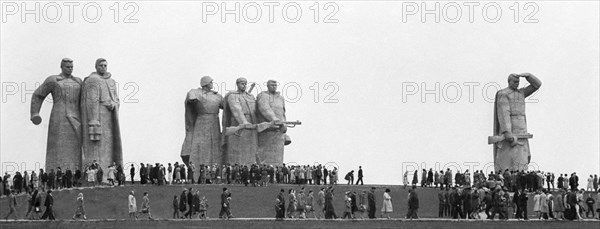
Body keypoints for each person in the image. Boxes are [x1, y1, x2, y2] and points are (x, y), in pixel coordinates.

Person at [30, 58, 83, 172]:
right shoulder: (53, 80)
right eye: (67, 67)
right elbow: (38, 95)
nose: (70, 69)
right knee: (58, 147)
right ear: (61, 67)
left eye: (71, 67)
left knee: (76, 147)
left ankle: (76, 174)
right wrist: (35, 113)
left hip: (77, 118)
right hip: (59, 117)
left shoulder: (79, 81)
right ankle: (55, 174)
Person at [81, 58, 123, 182]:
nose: (104, 67)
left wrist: (114, 104)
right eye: (101, 65)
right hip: (99, 115)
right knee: (97, 146)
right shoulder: (92, 80)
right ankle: (100, 177)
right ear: (96, 67)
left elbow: (117, 99)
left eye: (105, 65)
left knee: (109, 145)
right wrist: (93, 120)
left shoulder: (111, 81)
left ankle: (109, 177)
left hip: (110, 116)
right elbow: (91, 101)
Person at [492, 73, 542, 171]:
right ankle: (506, 173)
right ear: (509, 81)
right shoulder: (504, 93)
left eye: (518, 82)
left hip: (522, 126)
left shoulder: (521, 93)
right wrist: (507, 131)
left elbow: (537, 85)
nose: (517, 84)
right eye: (514, 82)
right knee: (509, 152)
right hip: (511, 125)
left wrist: (528, 76)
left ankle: (521, 172)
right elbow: (504, 112)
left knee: (522, 154)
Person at [181, 76, 223, 175]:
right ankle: (198, 173)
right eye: (211, 82)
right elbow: (192, 98)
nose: (212, 83)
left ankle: (214, 174)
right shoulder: (195, 92)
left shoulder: (217, 96)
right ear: (205, 83)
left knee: (215, 147)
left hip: (214, 122)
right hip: (201, 121)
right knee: (200, 146)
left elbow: (226, 106)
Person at [222, 77, 258, 165]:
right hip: (238, 123)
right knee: (237, 148)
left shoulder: (250, 96)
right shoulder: (232, 95)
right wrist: (244, 122)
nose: (244, 85)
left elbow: (256, 110)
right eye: (242, 83)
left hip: (251, 124)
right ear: (237, 84)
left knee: (251, 149)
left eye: (245, 84)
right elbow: (236, 109)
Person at [256, 79, 291, 165]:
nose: (274, 87)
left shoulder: (280, 98)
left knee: (278, 156)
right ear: (267, 86)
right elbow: (264, 108)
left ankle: (277, 171)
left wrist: (284, 124)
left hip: (279, 131)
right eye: (272, 85)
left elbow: (283, 113)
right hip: (267, 130)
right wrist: (274, 119)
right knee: (265, 154)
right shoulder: (262, 96)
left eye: (275, 85)